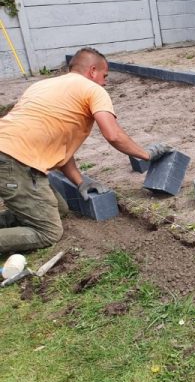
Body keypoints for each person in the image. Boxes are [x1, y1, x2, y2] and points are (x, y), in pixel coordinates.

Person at [0, 47, 173, 253]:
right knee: (49, 232)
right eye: (104, 75)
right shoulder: (93, 90)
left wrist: (81, 182)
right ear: (92, 71)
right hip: (15, 161)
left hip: (11, 153)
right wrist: (147, 155)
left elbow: (59, 147)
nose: (105, 82)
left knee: (60, 209)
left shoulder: (42, 85)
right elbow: (113, 135)